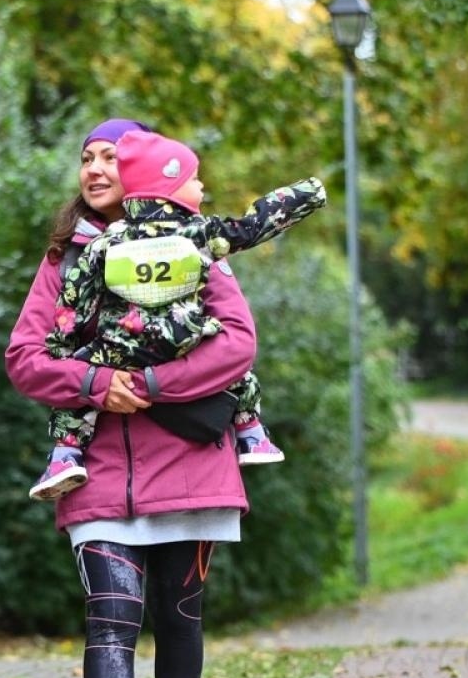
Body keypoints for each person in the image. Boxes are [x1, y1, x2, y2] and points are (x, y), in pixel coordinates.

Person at [6, 118, 268, 678]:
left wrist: (148, 384)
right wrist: (98, 383)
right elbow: (25, 357)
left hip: (192, 467)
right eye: (86, 157)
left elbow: (237, 343)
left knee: (179, 617)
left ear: (147, 174)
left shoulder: (194, 245)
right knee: (111, 615)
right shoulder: (65, 257)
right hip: (97, 474)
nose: (95, 168)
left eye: (111, 157)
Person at [29, 128, 326, 500]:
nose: (201, 187)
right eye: (194, 179)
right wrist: (307, 194)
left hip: (121, 344)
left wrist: (62, 347)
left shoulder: (104, 244)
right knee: (241, 376)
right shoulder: (198, 235)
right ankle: (251, 434)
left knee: (77, 388)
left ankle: (65, 455)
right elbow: (254, 225)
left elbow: (76, 298)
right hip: (184, 336)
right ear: (168, 187)